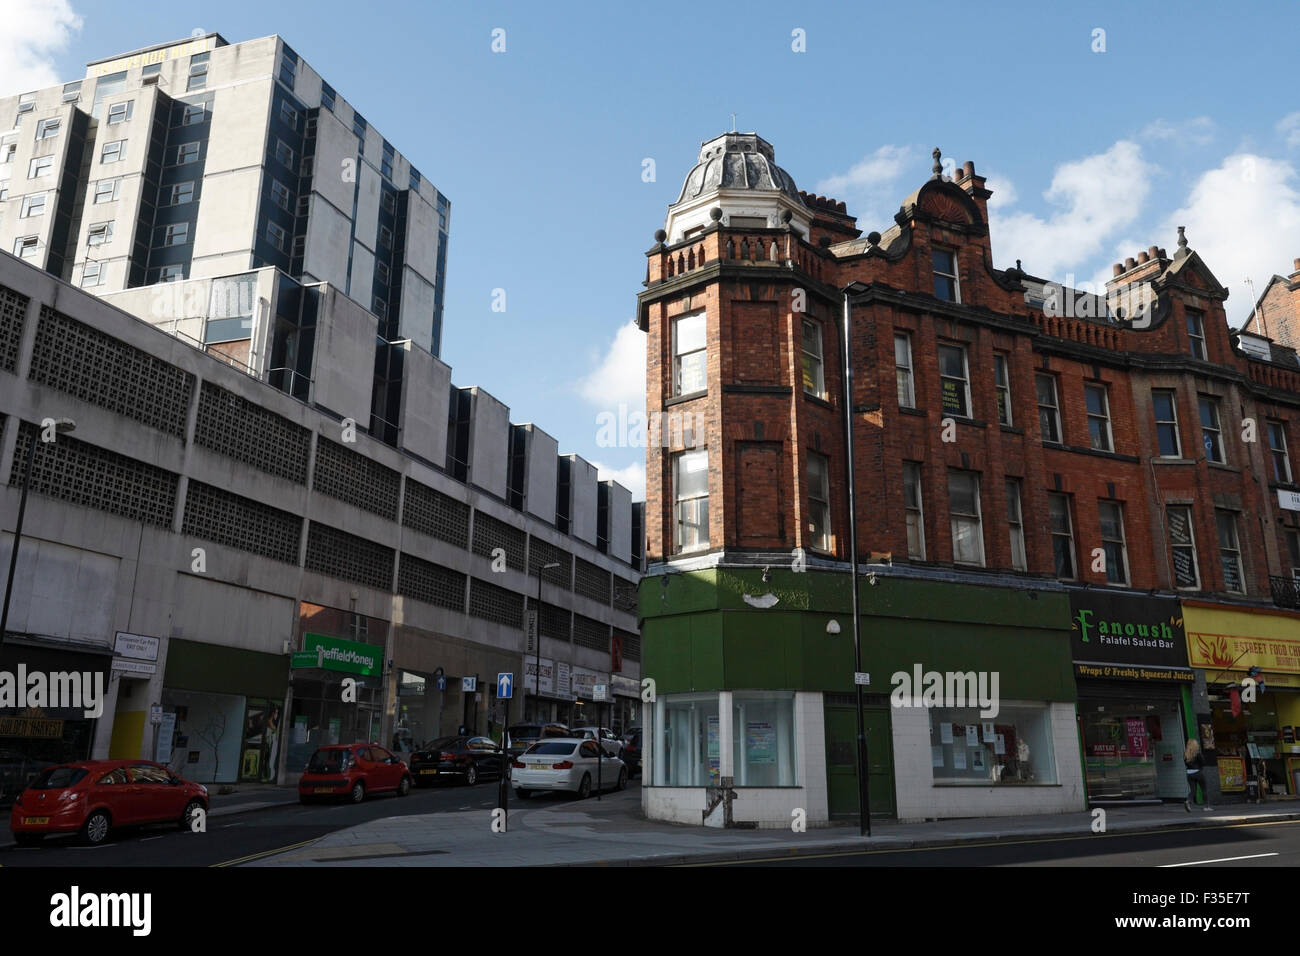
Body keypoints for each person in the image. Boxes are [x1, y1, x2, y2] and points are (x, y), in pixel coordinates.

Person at [1184, 738, 1213, 811]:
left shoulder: (1186, 754)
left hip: (1189, 773)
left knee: (1193, 790)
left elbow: (1186, 764)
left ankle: (1188, 801)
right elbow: (1203, 763)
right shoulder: (1198, 753)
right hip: (1198, 773)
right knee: (1204, 789)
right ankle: (1207, 807)